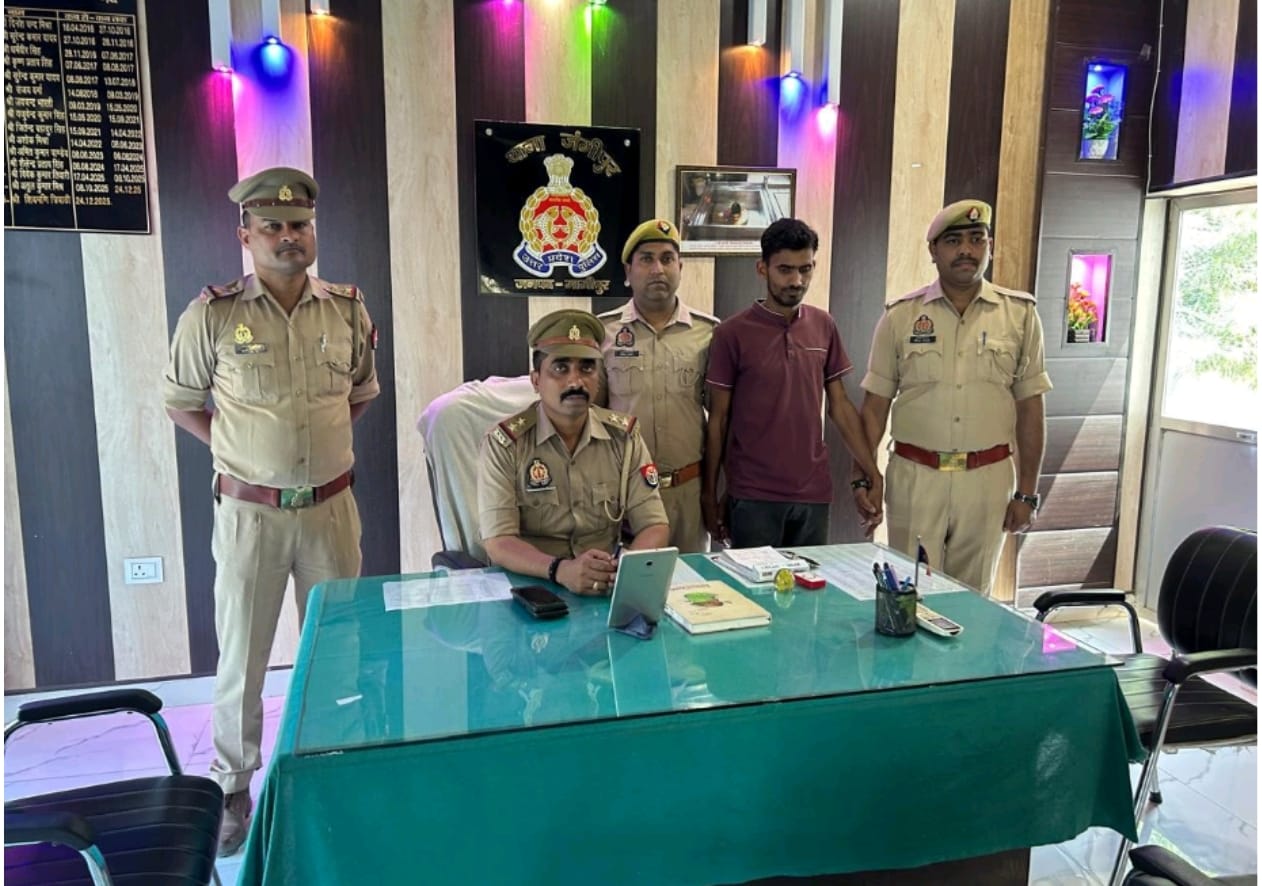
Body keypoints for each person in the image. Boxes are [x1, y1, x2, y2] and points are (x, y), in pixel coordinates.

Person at [162, 167, 379, 854]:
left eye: (300, 225)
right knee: (243, 658)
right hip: (250, 514)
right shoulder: (213, 314)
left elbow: (360, 393)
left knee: (337, 649)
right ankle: (232, 788)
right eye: (273, 227)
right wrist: (241, 455)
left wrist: (311, 459)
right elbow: (181, 402)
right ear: (246, 236)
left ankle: (327, 765)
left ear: (313, 231)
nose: (289, 236)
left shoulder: (347, 309)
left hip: (331, 510)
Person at [852, 198, 1051, 595]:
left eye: (977, 239)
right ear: (934, 251)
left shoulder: (1020, 315)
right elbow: (875, 407)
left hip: (987, 480)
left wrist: (1028, 492)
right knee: (910, 595)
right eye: (954, 241)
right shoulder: (900, 316)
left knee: (972, 601)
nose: (966, 250)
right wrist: (863, 476)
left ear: (990, 246)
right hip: (916, 477)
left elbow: (1031, 409)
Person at [701, 218, 881, 548]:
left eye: (805, 269)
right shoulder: (731, 333)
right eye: (785, 270)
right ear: (762, 269)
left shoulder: (824, 325)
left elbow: (840, 406)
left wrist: (873, 471)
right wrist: (709, 494)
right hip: (753, 496)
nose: (796, 281)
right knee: (755, 584)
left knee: (810, 581)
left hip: (814, 494)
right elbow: (718, 420)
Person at [478, 309, 670, 595]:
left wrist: (625, 570)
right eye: (560, 368)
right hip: (531, 586)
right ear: (535, 380)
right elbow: (499, 541)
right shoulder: (505, 444)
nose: (576, 382)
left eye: (587, 368)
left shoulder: (624, 438)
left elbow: (654, 525)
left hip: (603, 584)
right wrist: (560, 570)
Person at [598, 218, 717, 553]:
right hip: (625, 493)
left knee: (692, 581)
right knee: (626, 582)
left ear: (680, 268)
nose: (658, 269)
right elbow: (593, 417)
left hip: (688, 492)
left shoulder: (709, 333)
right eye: (646, 259)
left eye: (667, 259)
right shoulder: (604, 333)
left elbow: (721, 420)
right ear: (628, 270)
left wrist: (716, 490)